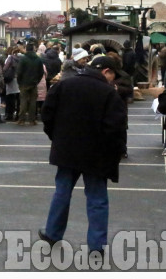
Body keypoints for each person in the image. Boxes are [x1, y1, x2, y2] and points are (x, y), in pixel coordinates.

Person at [39, 52, 127, 254]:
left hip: (66, 150)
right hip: (96, 154)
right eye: (114, 75)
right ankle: (96, 246)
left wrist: (57, 137)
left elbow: (47, 114)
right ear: (107, 71)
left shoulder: (64, 85)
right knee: (97, 199)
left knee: (62, 191)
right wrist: (114, 153)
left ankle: (52, 233)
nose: (115, 79)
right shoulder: (109, 93)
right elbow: (116, 128)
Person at [16, 43, 43, 126]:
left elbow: (19, 72)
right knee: (33, 102)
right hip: (34, 83)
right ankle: (32, 120)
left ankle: (21, 120)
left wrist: (19, 82)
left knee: (23, 101)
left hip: (24, 83)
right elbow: (41, 73)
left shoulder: (23, 59)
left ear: (26, 49)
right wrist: (37, 81)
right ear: (34, 49)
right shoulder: (38, 59)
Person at [3, 46, 21, 121]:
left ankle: (10, 114)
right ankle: (18, 114)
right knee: (18, 98)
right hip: (19, 79)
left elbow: (5, 68)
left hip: (11, 79)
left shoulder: (10, 58)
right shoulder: (22, 58)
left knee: (10, 98)